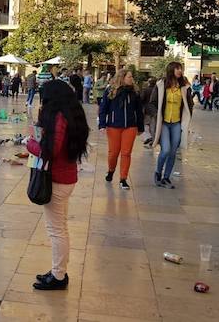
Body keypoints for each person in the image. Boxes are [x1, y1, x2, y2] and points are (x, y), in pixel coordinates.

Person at [26, 80, 89, 290]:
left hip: (57, 179)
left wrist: (30, 143)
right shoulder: (70, 115)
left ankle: (59, 276)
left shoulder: (60, 118)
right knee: (59, 228)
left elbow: (50, 150)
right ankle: (57, 271)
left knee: (56, 231)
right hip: (65, 176)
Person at [98, 69, 145, 190]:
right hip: (113, 126)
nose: (131, 79)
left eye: (131, 77)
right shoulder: (111, 90)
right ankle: (111, 170)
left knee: (126, 153)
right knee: (113, 153)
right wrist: (102, 125)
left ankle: (123, 178)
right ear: (122, 78)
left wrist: (140, 127)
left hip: (130, 126)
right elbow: (103, 108)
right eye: (129, 77)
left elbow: (139, 111)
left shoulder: (134, 92)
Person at [150, 62, 193, 189]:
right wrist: (157, 115)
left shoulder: (184, 86)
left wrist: (187, 117)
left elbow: (189, 104)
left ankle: (166, 177)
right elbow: (151, 103)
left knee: (173, 152)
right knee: (166, 150)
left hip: (177, 123)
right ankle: (158, 173)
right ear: (171, 70)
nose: (180, 71)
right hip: (163, 123)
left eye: (181, 69)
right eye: (177, 68)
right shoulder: (161, 85)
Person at [140, 78, 158, 148]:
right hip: (155, 111)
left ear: (149, 83)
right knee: (153, 127)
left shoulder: (146, 90)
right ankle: (153, 140)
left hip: (147, 110)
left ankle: (148, 137)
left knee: (145, 125)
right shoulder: (157, 90)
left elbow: (141, 99)